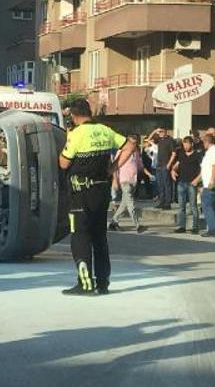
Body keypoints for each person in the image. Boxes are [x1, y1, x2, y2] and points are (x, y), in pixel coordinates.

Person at [59, 98, 134, 296]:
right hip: (101, 191)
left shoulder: (77, 133)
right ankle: (103, 283)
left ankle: (85, 284)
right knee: (99, 237)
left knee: (80, 236)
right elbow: (129, 146)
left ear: (74, 116)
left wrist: (68, 139)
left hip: (80, 193)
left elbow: (64, 163)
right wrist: (113, 168)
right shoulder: (105, 130)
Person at [109, 134, 147, 233]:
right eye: (131, 142)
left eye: (134, 143)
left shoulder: (136, 152)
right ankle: (137, 225)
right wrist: (115, 179)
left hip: (133, 180)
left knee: (124, 204)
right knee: (130, 203)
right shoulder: (121, 151)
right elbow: (115, 166)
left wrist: (148, 174)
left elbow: (140, 165)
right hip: (124, 180)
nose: (133, 145)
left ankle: (114, 222)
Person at [172, 136, 202, 234]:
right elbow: (176, 165)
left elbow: (203, 169)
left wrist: (197, 179)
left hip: (192, 183)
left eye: (187, 144)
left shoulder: (197, 155)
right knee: (181, 206)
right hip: (181, 182)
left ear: (191, 144)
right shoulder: (181, 154)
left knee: (193, 206)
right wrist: (173, 170)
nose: (185, 146)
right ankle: (181, 226)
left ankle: (195, 227)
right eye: (184, 144)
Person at [199, 134, 215, 238]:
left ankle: (212, 229)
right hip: (211, 184)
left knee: (207, 206)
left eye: (203, 142)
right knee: (214, 207)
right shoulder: (211, 152)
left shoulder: (213, 152)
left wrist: (212, 181)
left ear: (206, 142)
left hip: (212, 185)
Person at [148, 127, 175, 210]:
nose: (160, 133)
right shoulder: (159, 139)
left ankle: (167, 203)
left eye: (162, 131)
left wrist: (169, 165)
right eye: (159, 132)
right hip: (158, 165)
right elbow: (148, 139)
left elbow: (174, 153)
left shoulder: (170, 140)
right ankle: (161, 201)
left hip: (165, 164)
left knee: (167, 184)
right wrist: (154, 131)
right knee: (160, 184)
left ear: (166, 131)